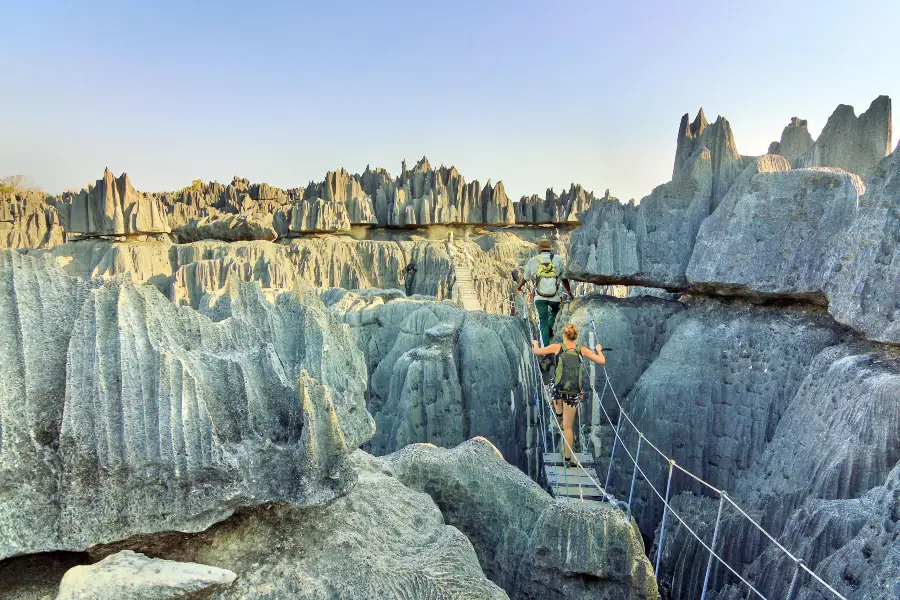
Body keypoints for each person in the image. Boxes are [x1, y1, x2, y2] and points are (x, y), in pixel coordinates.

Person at [532, 323, 605, 466]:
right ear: (576, 336)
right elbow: (602, 361)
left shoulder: (557, 347)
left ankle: (558, 412)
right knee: (568, 427)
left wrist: (535, 343)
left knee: (551, 385)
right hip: (573, 393)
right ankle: (567, 459)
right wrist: (599, 350)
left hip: (559, 389)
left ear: (564, 336)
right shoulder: (581, 350)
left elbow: (537, 352)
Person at [515, 239, 572, 346]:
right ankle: (551, 327)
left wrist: (518, 287)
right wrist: (569, 292)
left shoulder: (533, 261)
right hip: (555, 296)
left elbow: (525, 278)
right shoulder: (558, 259)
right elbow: (564, 278)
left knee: (543, 322)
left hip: (539, 298)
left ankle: (546, 349)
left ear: (539, 250)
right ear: (550, 250)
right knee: (555, 311)